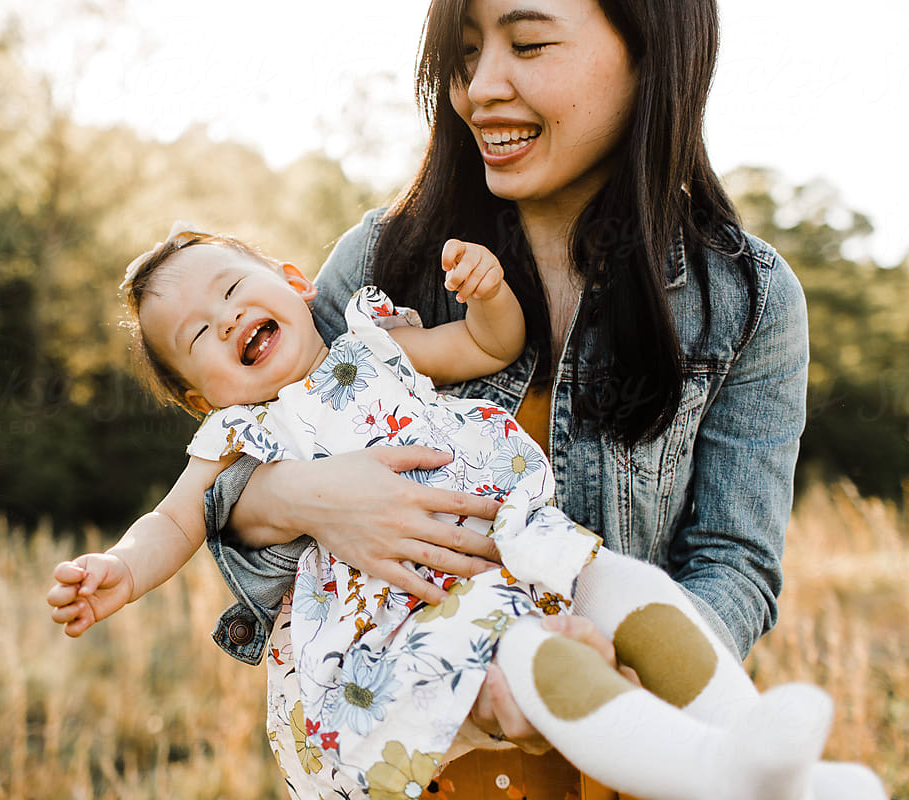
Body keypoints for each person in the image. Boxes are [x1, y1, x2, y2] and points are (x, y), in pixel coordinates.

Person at [186, 0, 887, 797]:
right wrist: (312, 500)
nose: (481, 87)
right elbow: (237, 478)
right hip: (430, 767)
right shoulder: (380, 266)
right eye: (466, 52)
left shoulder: (747, 299)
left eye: (529, 44)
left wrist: (615, 680)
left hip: (639, 765)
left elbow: (734, 562)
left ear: (650, 50)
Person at [46, 227, 876, 800]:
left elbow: (488, 348)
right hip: (407, 617)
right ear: (201, 397)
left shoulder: (374, 345)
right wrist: (117, 570)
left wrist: (487, 294)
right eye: (197, 333)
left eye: (232, 288)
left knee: (622, 585)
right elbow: (176, 521)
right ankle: (718, 772)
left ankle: (770, 772)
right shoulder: (238, 435)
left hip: (524, 546)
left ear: (296, 286)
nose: (225, 315)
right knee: (522, 662)